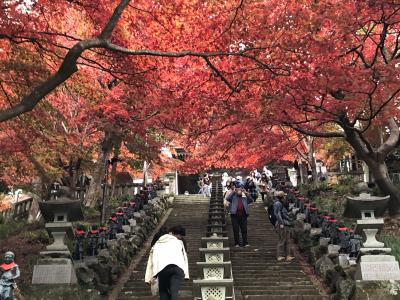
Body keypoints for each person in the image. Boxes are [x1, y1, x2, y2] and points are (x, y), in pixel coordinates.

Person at [145, 225, 189, 300]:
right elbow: (185, 256)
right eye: (180, 236)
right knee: (174, 291)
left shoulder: (157, 243)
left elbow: (152, 259)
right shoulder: (180, 242)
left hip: (162, 268)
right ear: (175, 234)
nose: (180, 237)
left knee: (163, 291)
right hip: (177, 267)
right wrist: (186, 273)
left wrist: (150, 276)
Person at [226, 183, 254, 247]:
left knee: (244, 229)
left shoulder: (244, 198)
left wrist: (246, 193)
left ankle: (245, 243)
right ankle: (237, 243)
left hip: (243, 216)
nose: (239, 191)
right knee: (235, 230)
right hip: (234, 216)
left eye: (240, 190)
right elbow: (228, 198)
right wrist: (234, 191)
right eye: (238, 190)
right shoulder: (233, 198)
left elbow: (251, 200)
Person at [273, 191, 295, 261]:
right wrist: (281, 223)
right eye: (284, 196)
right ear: (282, 197)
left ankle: (288, 255)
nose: (285, 197)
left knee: (288, 240)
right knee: (282, 240)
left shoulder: (281, 203)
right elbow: (277, 214)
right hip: (282, 224)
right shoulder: (278, 203)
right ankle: (279, 255)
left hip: (287, 224)